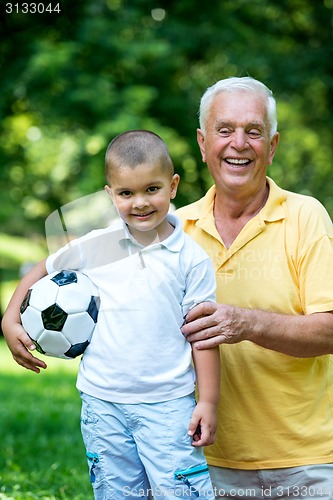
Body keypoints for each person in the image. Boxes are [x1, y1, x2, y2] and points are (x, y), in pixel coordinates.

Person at [2, 130, 220, 500]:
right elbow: (42, 269)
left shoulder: (191, 259)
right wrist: (9, 319)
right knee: (116, 493)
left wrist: (208, 401)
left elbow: (203, 335)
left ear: (173, 185)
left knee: (181, 493)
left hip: (167, 406)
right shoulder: (97, 245)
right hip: (103, 404)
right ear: (109, 195)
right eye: (126, 193)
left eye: (152, 189)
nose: (140, 203)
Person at [175, 76, 333, 499]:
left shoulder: (306, 218)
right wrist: (15, 307)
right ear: (203, 142)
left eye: (253, 131)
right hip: (197, 459)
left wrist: (244, 323)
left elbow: (330, 330)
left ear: (273, 145)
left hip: (306, 463)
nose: (238, 143)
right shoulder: (174, 231)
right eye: (224, 130)